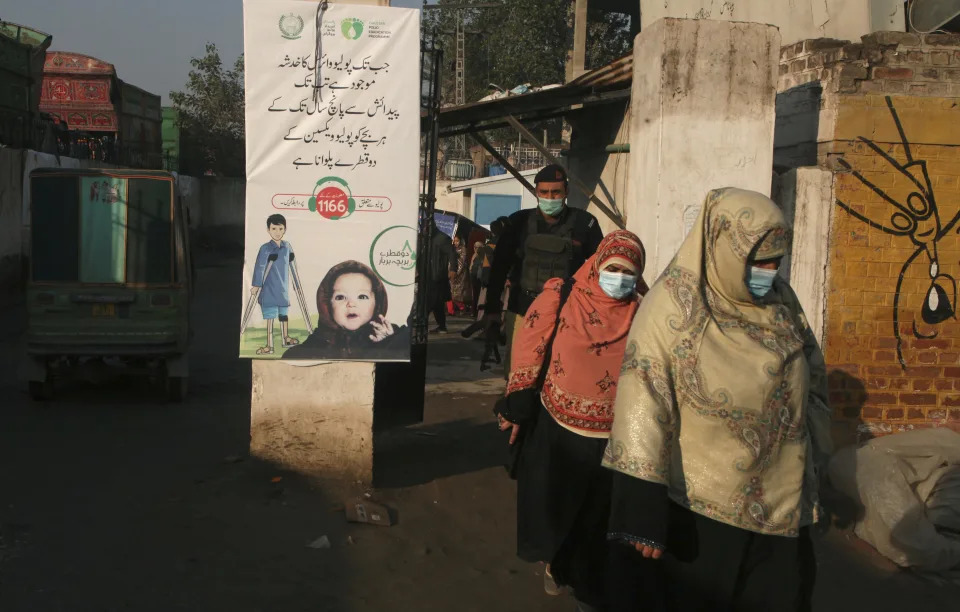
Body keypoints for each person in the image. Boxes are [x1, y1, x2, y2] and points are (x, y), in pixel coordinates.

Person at [603, 188, 832, 612]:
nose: (768, 271)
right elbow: (645, 399)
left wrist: (818, 468)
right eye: (758, 260)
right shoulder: (674, 307)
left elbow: (814, 380)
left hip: (783, 505)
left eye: (776, 261)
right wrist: (639, 505)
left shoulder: (783, 302)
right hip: (700, 507)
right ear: (725, 247)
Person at [495, 230, 648, 612]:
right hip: (557, 428)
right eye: (612, 268)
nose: (619, 278)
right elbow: (530, 345)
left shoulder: (645, 312)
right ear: (597, 265)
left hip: (615, 436)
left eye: (628, 272)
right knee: (556, 508)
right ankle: (556, 564)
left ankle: (586, 582)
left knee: (597, 520)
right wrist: (518, 402)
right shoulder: (562, 297)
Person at [484, 165, 604, 375]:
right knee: (518, 376)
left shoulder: (586, 224)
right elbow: (499, 269)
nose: (550, 197)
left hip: (568, 317)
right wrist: (492, 311)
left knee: (562, 376)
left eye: (556, 192)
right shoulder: (518, 223)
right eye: (544, 192)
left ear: (566, 192)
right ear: (536, 192)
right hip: (522, 312)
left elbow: (600, 271)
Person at [283, 260, 409, 360]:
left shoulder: (395, 339)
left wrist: (390, 343)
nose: (351, 304)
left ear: (377, 303)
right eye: (340, 297)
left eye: (362, 296)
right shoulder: (306, 351)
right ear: (327, 304)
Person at [250, 214, 299, 355]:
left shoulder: (287, 246)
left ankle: (286, 338)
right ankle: (269, 346)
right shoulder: (265, 248)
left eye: (280, 228)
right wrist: (256, 285)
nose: (277, 232)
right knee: (270, 317)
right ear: (268, 230)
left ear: (285, 229)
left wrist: (295, 283)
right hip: (269, 288)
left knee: (283, 315)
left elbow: (292, 264)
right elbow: (260, 267)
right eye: (274, 229)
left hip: (282, 288)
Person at [427, 219, 457, 333]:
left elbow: (452, 254)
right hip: (427, 276)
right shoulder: (425, 238)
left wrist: (453, 269)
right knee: (437, 304)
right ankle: (442, 326)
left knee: (431, 302)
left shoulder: (442, 238)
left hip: (437, 276)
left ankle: (422, 324)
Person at [450, 234, 471, 315]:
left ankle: (462, 308)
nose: (455, 242)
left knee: (459, 293)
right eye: (454, 241)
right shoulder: (451, 248)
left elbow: (461, 263)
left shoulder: (463, 249)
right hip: (451, 272)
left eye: (457, 241)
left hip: (460, 274)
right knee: (450, 292)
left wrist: (456, 272)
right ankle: (450, 310)